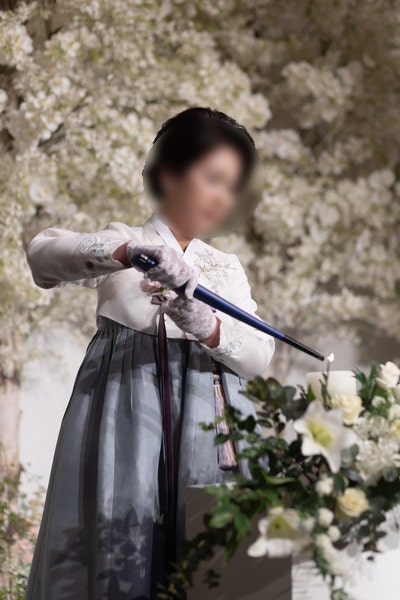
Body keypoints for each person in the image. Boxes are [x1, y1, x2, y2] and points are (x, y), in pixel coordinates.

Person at [24, 106, 275, 600]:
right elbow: (42, 257)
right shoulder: (126, 240)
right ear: (169, 173)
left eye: (231, 187)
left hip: (210, 420)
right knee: (120, 539)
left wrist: (205, 324)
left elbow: (259, 354)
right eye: (212, 179)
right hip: (124, 414)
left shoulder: (224, 267)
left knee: (211, 562)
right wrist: (126, 255)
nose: (221, 198)